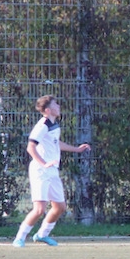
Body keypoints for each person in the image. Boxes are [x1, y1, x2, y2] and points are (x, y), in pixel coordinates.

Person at [12, 95, 92, 247]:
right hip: (40, 170)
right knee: (39, 209)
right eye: (55, 104)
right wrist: (44, 163)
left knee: (60, 207)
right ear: (48, 110)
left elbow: (55, 143)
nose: (59, 106)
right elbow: (30, 147)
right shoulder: (42, 126)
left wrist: (76, 149)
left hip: (52, 170)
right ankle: (19, 238)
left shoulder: (54, 125)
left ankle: (42, 235)